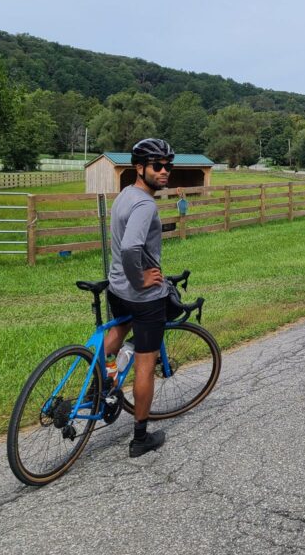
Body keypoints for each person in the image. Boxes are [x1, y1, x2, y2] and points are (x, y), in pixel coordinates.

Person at [105, 137, 175, 457]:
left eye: (168, 166)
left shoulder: (126, 195)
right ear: (139, 168)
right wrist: (142, 278)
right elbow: (132, 246)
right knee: (146, 365)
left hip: (116, 287)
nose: (165, 172)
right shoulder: (146, 203)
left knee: (116, 336)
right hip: (140, 294)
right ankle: (140, 438)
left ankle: (98, 387)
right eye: (157, 166)